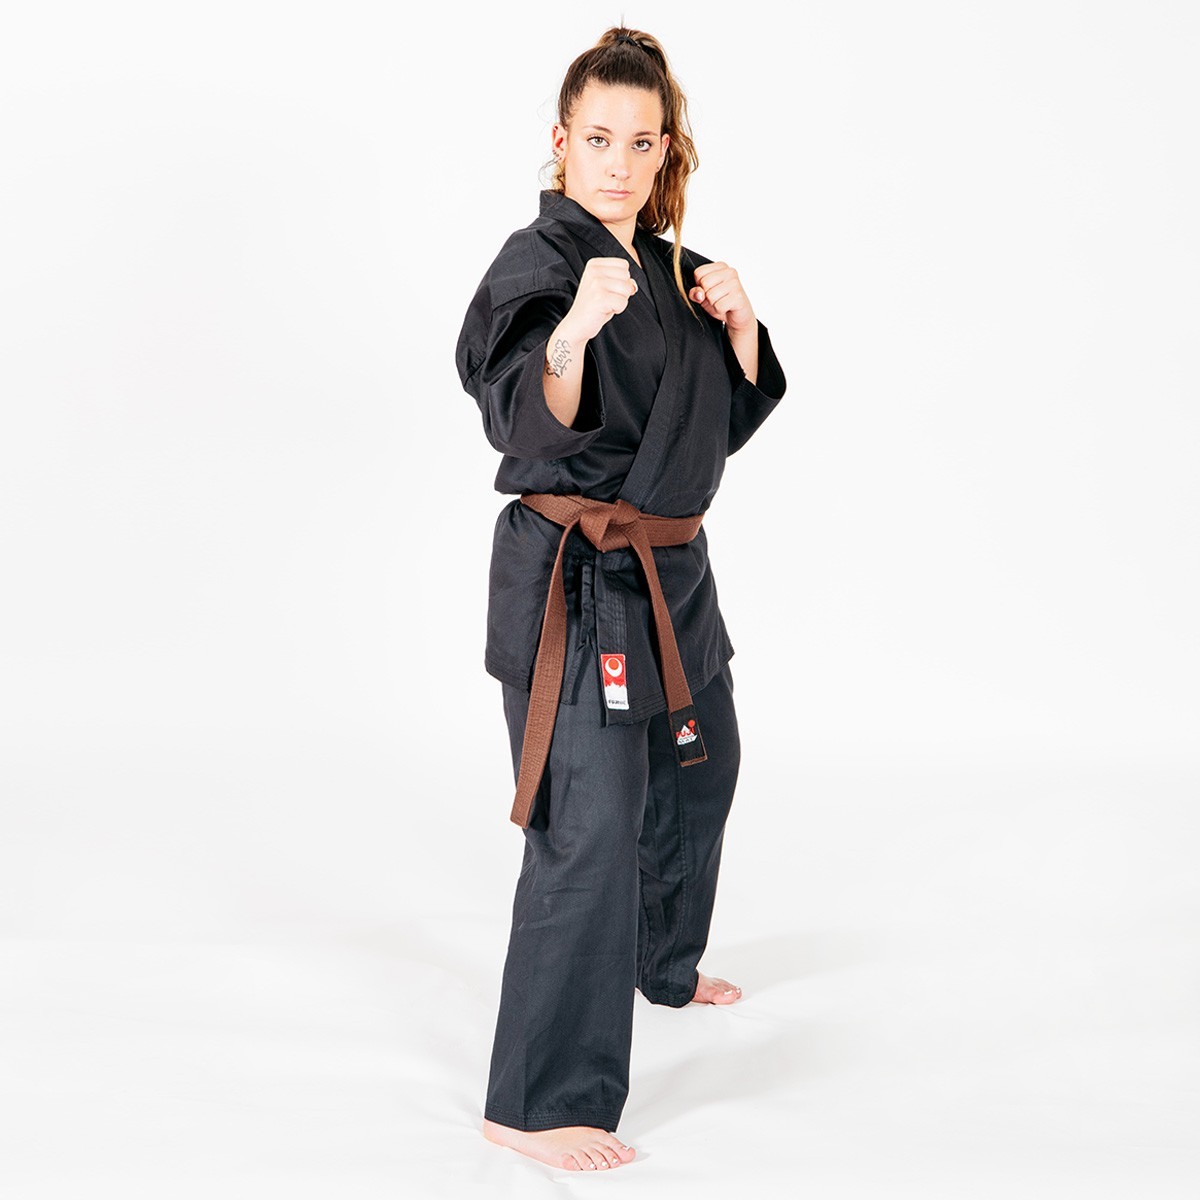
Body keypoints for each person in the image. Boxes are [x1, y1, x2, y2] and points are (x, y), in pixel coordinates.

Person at [454, 26, 786, 1173]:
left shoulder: (674, 269)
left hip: (670, 576)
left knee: (702, 769)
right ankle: (535, 1100)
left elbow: (703, 436)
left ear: (664, 152)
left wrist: (740, 332)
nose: (619, 163)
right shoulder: (541, 263)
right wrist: (573, 334)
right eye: (598, 139)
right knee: (587, 825)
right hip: (577, 584)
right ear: (561, 142)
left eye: (641, 143)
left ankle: (660, 963)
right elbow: (513, 406)